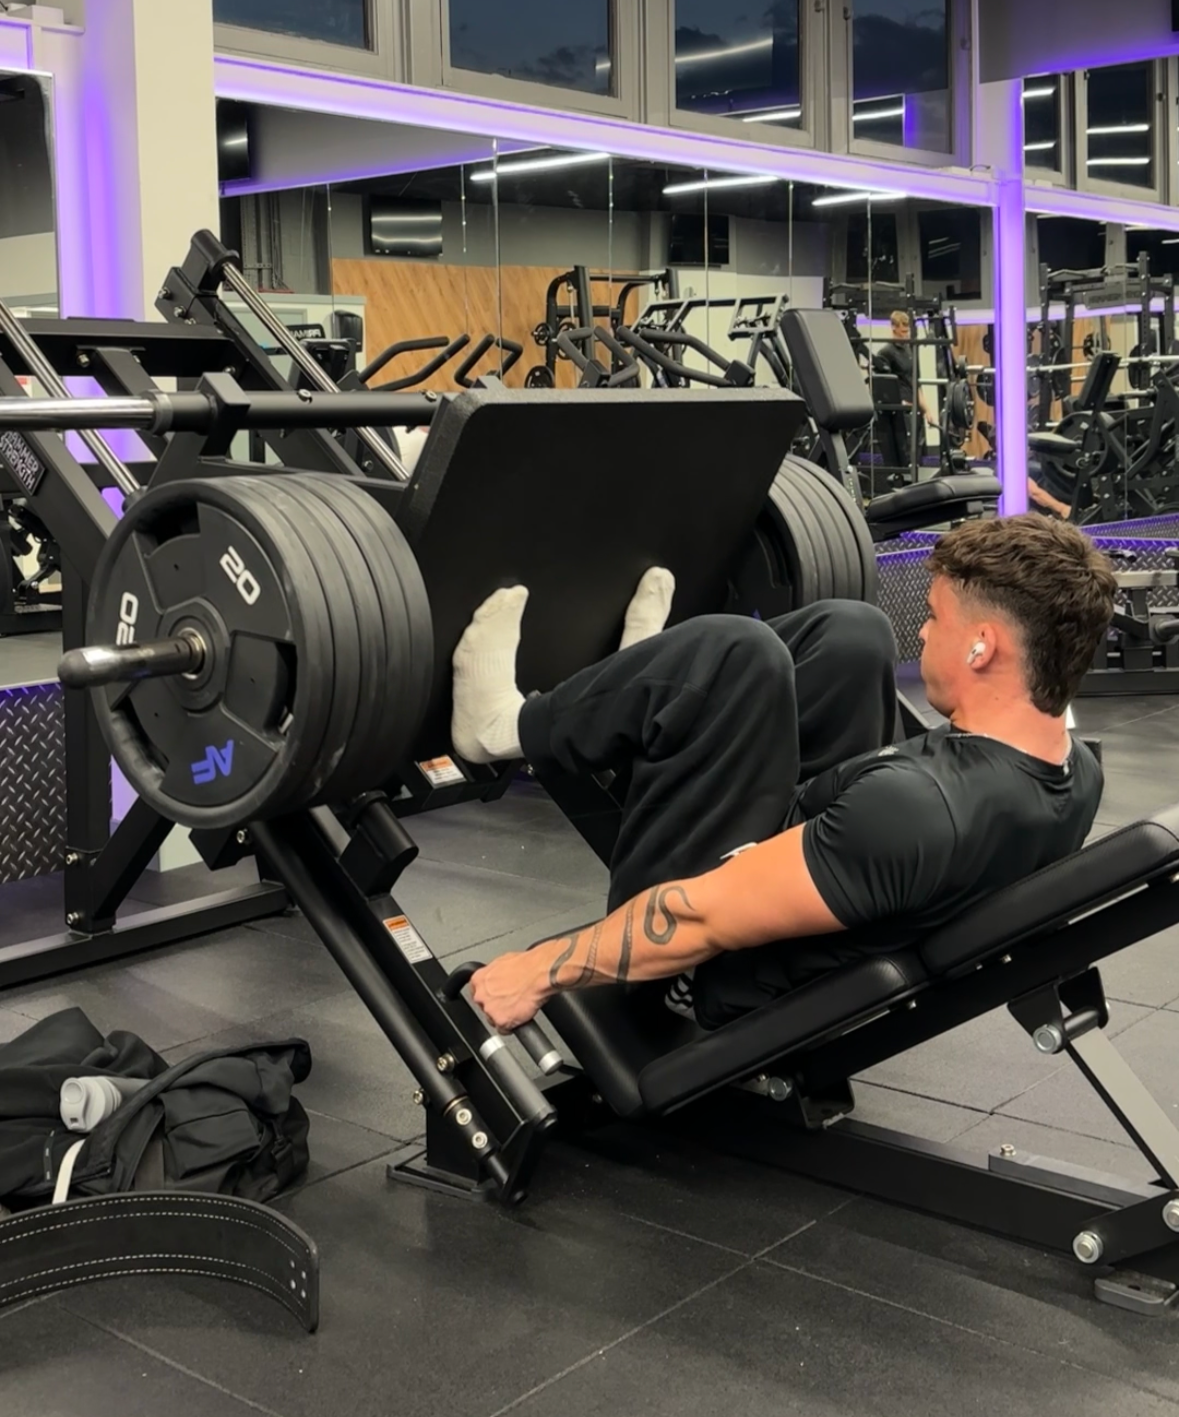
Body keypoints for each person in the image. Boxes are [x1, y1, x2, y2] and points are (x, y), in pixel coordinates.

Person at [453, 516, 1116, 1034]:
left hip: (704, 972)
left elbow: (698, 917)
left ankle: (502, 730)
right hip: (829, 877)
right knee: (855, 635)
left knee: (736, 656)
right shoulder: (1071, 768)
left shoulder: (917, 809)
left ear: (982, 646)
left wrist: (536, 969)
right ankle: (644, 680)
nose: (923, 634)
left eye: (937, 618)